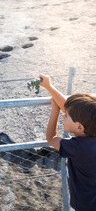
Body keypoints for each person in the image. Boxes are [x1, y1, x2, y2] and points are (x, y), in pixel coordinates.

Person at [39, 74, 96, 211]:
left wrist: (55, 110)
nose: (64, 115)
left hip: (85, 205)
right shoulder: (90, 126)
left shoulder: (77, 147)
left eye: (66, 116)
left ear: (79, 128)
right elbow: (76, 112)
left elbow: (51, 138)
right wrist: (49, 87)